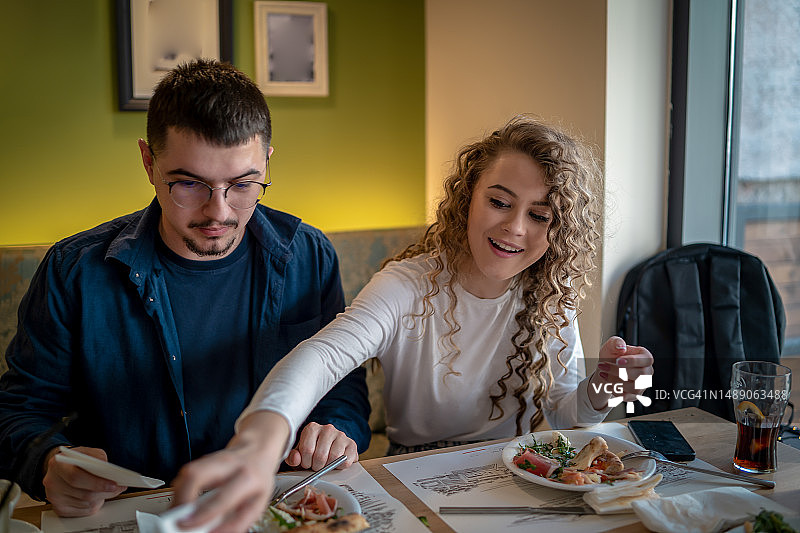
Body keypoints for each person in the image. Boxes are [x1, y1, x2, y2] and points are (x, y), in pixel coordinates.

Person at [171, 115, 655, 532]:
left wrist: (607, 388)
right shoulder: (408, 286)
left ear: (559, 228)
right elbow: (321, 356)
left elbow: (568, 416)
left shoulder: (552, 300)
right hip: (416, 476)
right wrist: (258, 444)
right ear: (468, 197)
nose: (515, 228)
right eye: (500, 202)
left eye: (540, 214)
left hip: (516, 479)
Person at [0, 59, 371, 517]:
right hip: (132, 512)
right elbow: (19, 410)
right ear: (148, 162)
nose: (220, 212)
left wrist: (337, 427)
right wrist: (47, 462)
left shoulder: (308, 256)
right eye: (190, 184)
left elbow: (343, 386)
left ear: (267, 162)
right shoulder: (74, 270)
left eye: (243, 184)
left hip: (275, 507)